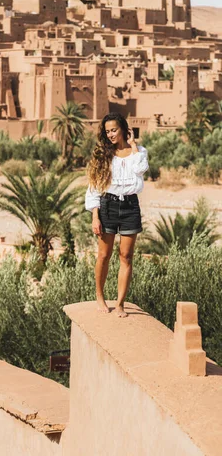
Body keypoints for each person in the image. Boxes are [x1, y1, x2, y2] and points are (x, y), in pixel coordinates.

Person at [85, 113, 149, 318]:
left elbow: (141, 169)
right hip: (107, 206)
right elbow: (94, 186)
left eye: (114, 130)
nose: (111, 135)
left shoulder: (138, 152)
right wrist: (95, 216)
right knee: (104, 255)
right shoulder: (103, 154)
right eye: (107, 131)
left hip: (130, 207)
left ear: (123, 129)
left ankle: (120, 303)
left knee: (126, 256)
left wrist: (133, 146)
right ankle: (100, 296)